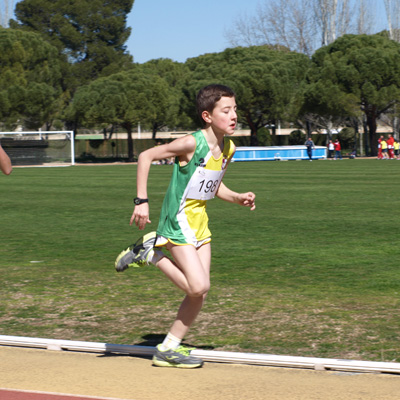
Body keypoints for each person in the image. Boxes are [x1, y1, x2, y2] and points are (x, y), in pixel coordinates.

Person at [114, 84, 256, 369]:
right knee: (199, 284)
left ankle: (168, 348)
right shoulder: (192, 143)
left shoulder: (229, 147)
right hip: (177, 220)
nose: (233, 116)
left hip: (200, 222)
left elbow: (214, 188)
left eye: (235, 109)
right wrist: (141, 200)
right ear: (207, 115)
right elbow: (146, 156)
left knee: (199, 292)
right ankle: (151, 253)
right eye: (225, 110)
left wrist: (237, 197)